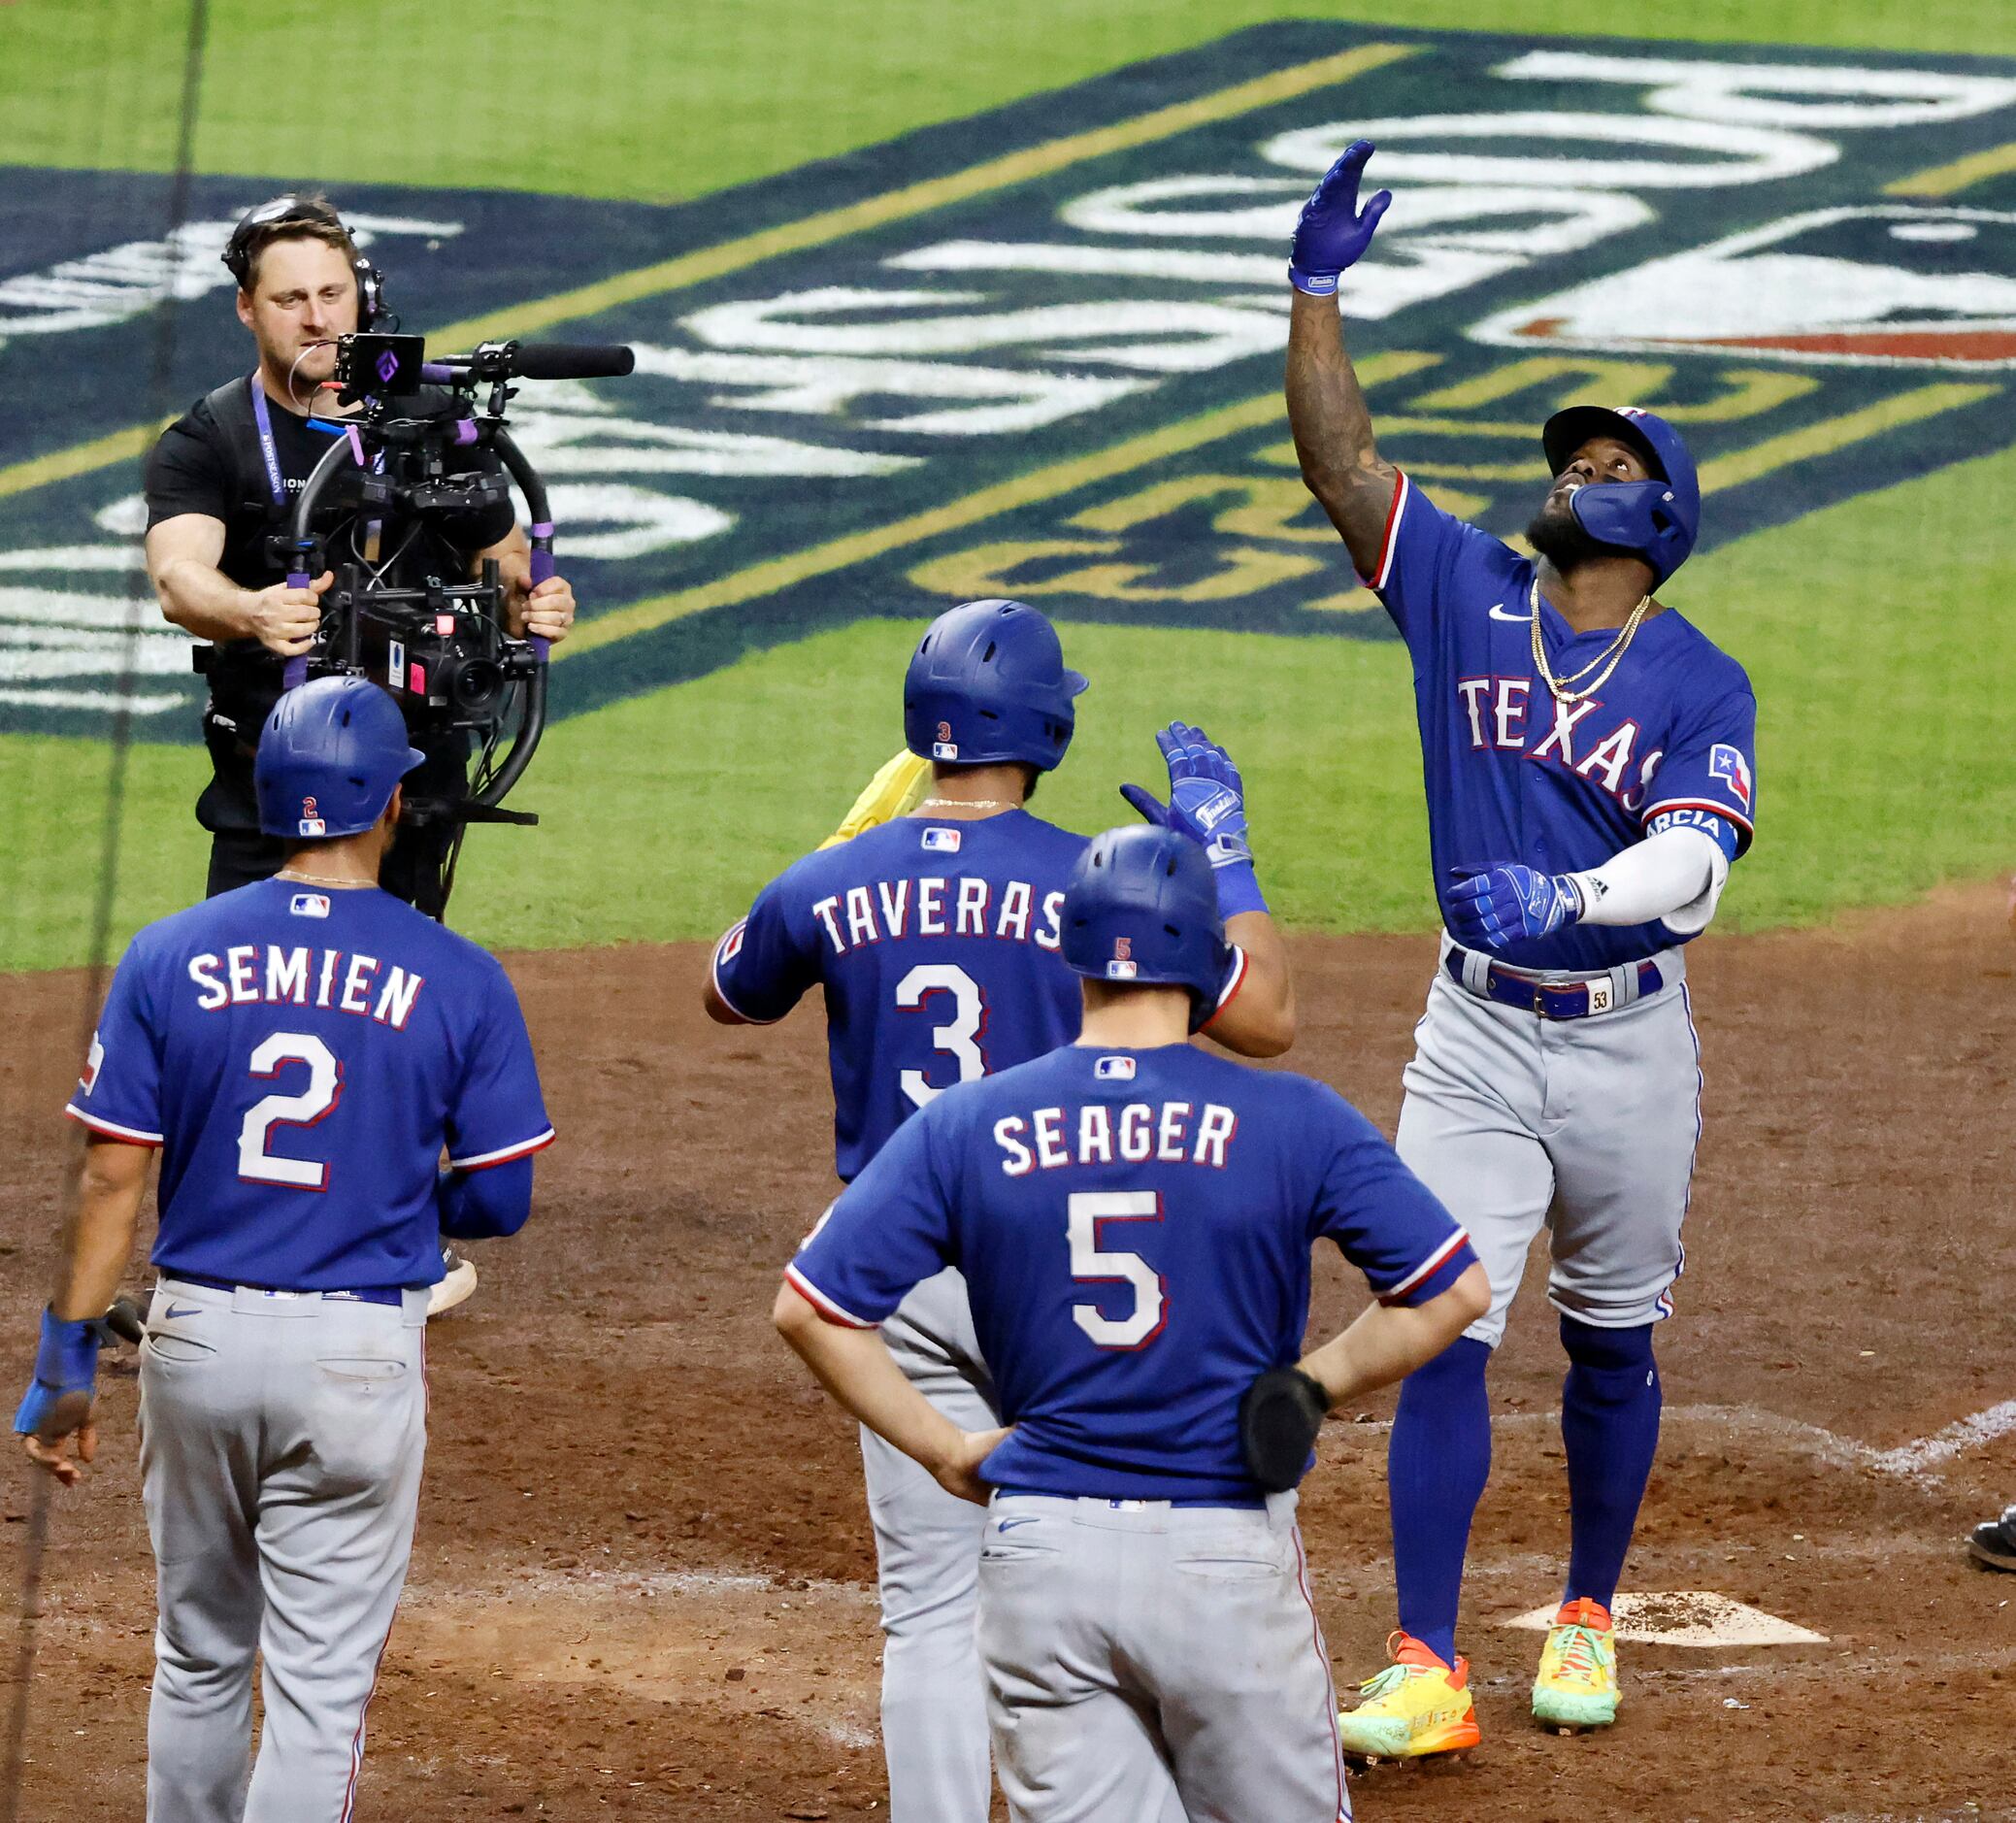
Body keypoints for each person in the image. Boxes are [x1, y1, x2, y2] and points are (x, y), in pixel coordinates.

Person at [1282, 142, 1759, 1750]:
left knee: (1612, 1336)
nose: (1569, 470)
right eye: (1573, 454)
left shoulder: (1696, 677)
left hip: (1625, 1033)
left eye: (1605, 459)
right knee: (1442, 1314)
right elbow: (1340, 460)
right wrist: (1315, 290)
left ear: (1656, 514)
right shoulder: (1465, 590)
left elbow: (1693, 861)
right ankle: (1426, 1656)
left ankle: (1584, 1615)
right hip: (1472, 1031)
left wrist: (1569, 897)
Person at [704, 599, 1295, 1822]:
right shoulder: (1093, 886)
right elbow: (1261, 1021)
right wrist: (1224, 852)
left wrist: (830, 861)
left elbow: (728, 991)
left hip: (898, 1268)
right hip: (1065, 1260)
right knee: (1132, 1557)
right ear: (1048, 724)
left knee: (926, 1603)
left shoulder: (832, 880)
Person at [773, 823, 1490, 1822]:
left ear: (1071, 954)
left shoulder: (965, 1123)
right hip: (1220, 1560)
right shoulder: (1295, 1119)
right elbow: (1451, 1290)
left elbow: (808, 1308)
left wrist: (943, 1449)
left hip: (1039, 1563)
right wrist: (1311, 1384)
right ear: (1208, 962)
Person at [13, 676, 553, 1822]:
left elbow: (114, 1176)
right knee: (317, 1693)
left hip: (193, 1341)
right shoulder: (459, 974)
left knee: (198, 1653)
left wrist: (64, 1369)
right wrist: (392, 1188)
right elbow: (502, 1199)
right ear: (392, 807)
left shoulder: (168, 955)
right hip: (355, 1353)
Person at [143, 194, 570, 1313]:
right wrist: (249, 613)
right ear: (248, 311)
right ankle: (207, 1233)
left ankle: (396, 1240)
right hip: (262, 778)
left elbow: (506, 547)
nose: (318, 318)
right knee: (227, 997)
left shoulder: (425, 419)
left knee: (396, 998)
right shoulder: (214, 439)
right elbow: (179, 573)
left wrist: (535, 595)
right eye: (290, 299)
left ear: (361, 296)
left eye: (332, 294)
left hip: (409, 775)